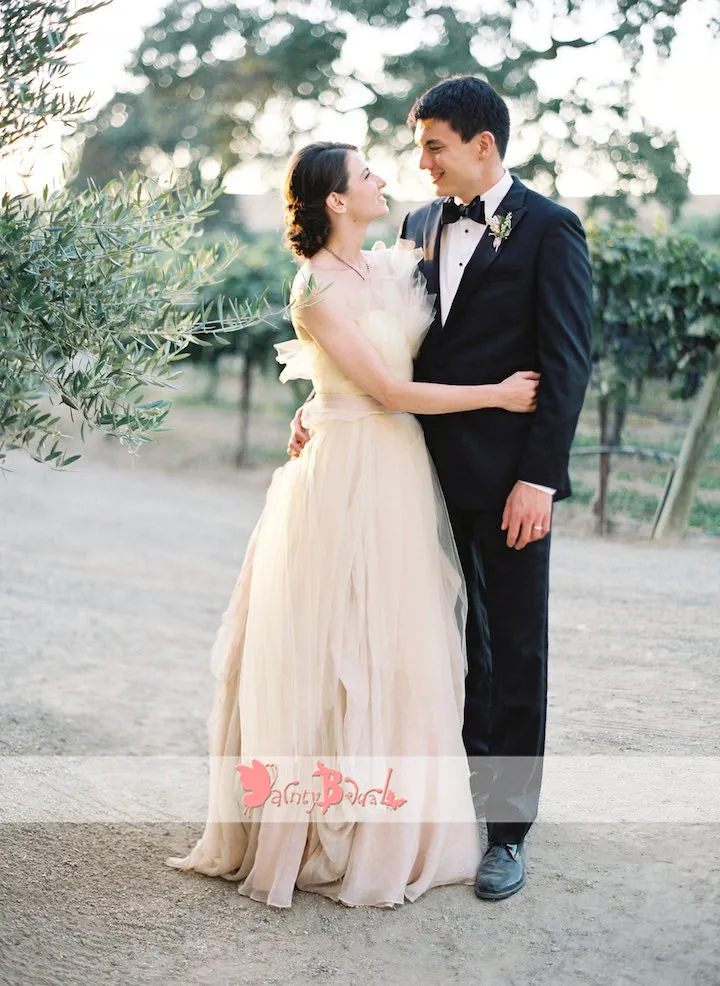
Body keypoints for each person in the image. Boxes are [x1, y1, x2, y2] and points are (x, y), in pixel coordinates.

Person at [166, 140, 540, 909]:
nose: (383, 178)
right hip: (346, 475)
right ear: (336, 200)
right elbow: (388, 391)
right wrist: (498, 395)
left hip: (403, 474)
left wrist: (314, 398)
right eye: (366, 174)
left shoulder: (396, 260)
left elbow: (390, 358)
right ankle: (325, 822)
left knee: (403, 641)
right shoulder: (315, 293)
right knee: (331, 640)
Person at [289, 78, 593, 901]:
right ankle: (452, 800)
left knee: (516, 646)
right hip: (414, 477)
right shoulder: (419, 225)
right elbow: (369, 342)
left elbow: (567, 365)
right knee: (445, 647)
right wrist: (318, 403)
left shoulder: (551, 230)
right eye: (418, 146)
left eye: (434, 147)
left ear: (483, 147)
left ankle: (505, 831)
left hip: (509, 485)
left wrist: (539, 479)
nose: (419, 162)